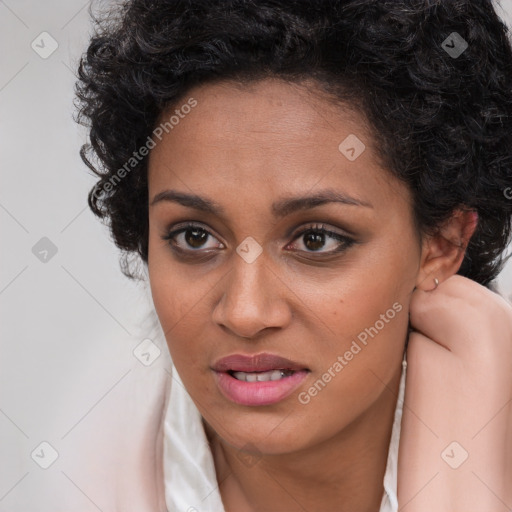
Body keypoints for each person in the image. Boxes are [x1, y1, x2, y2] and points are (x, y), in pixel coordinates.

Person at [75, 0, 512, 510]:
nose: (245, 312)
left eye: (316, 240)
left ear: (441, 244)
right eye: (195, 237)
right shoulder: (81, 470)